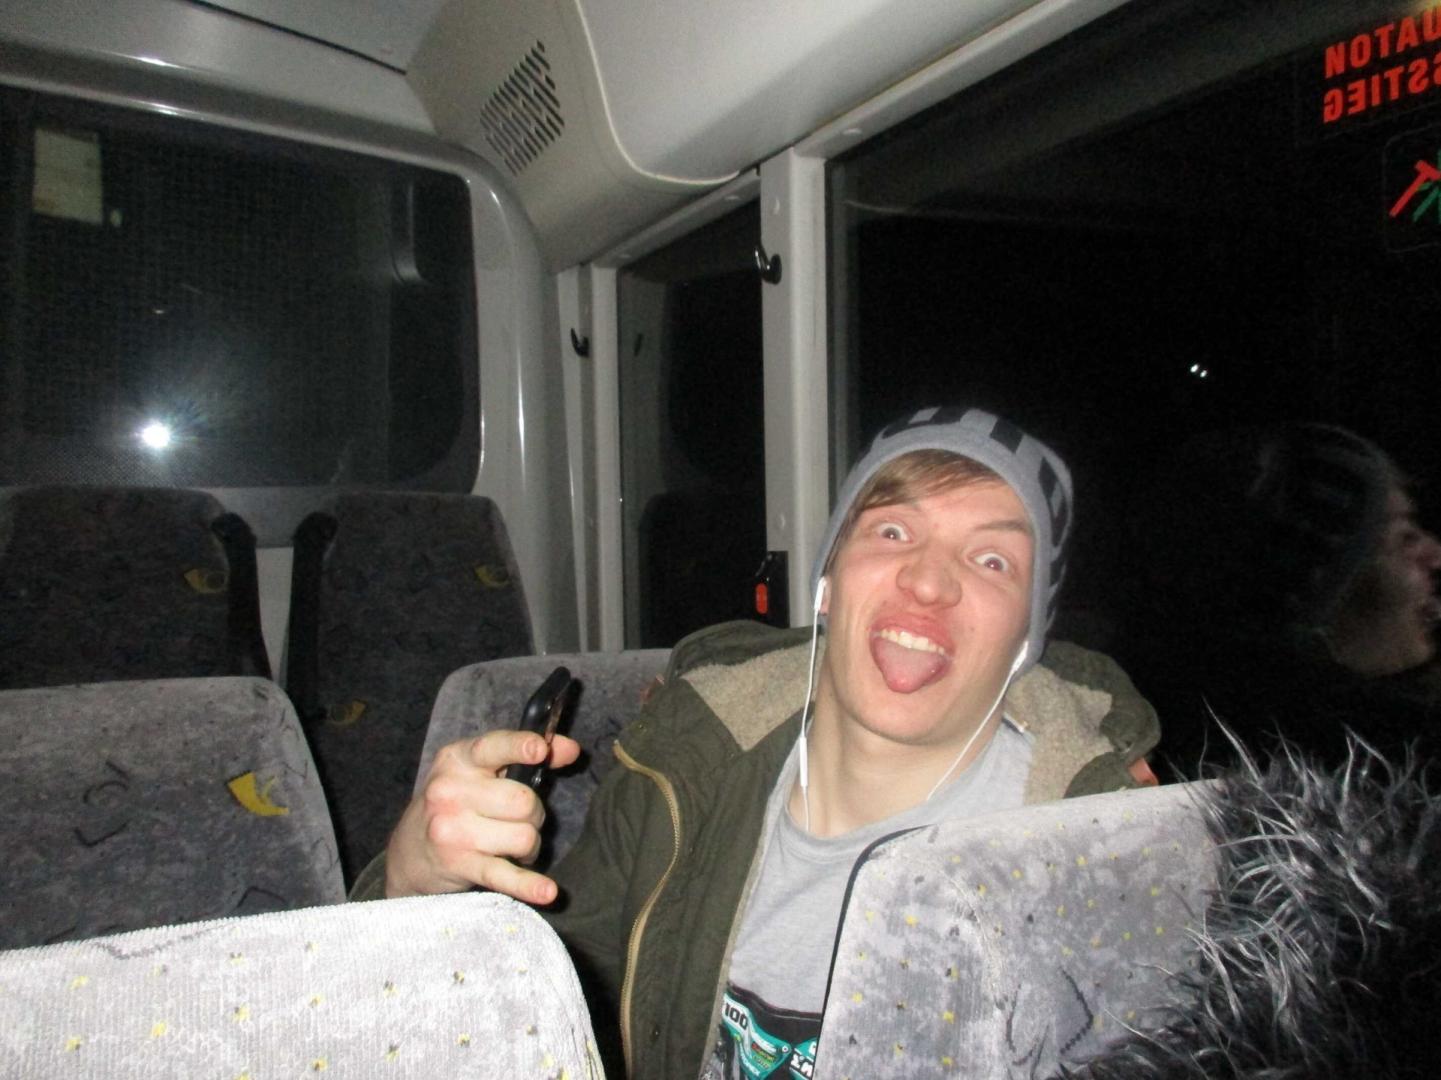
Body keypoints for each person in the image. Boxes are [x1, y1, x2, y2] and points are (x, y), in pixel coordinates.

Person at [359, 406, 1161, 1079]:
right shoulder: (686, 759)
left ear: (1026, 637)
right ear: (827, 581)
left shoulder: (1093, 848)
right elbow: (520, 1017)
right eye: (891, 531)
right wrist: (415, 886)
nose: (926, 580)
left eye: (991, 559)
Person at [1117, 422, 1441, 779]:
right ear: (1320, 593)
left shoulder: (1156, 722)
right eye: (1404, 538)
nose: (1436, 556)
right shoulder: (1389, 766)